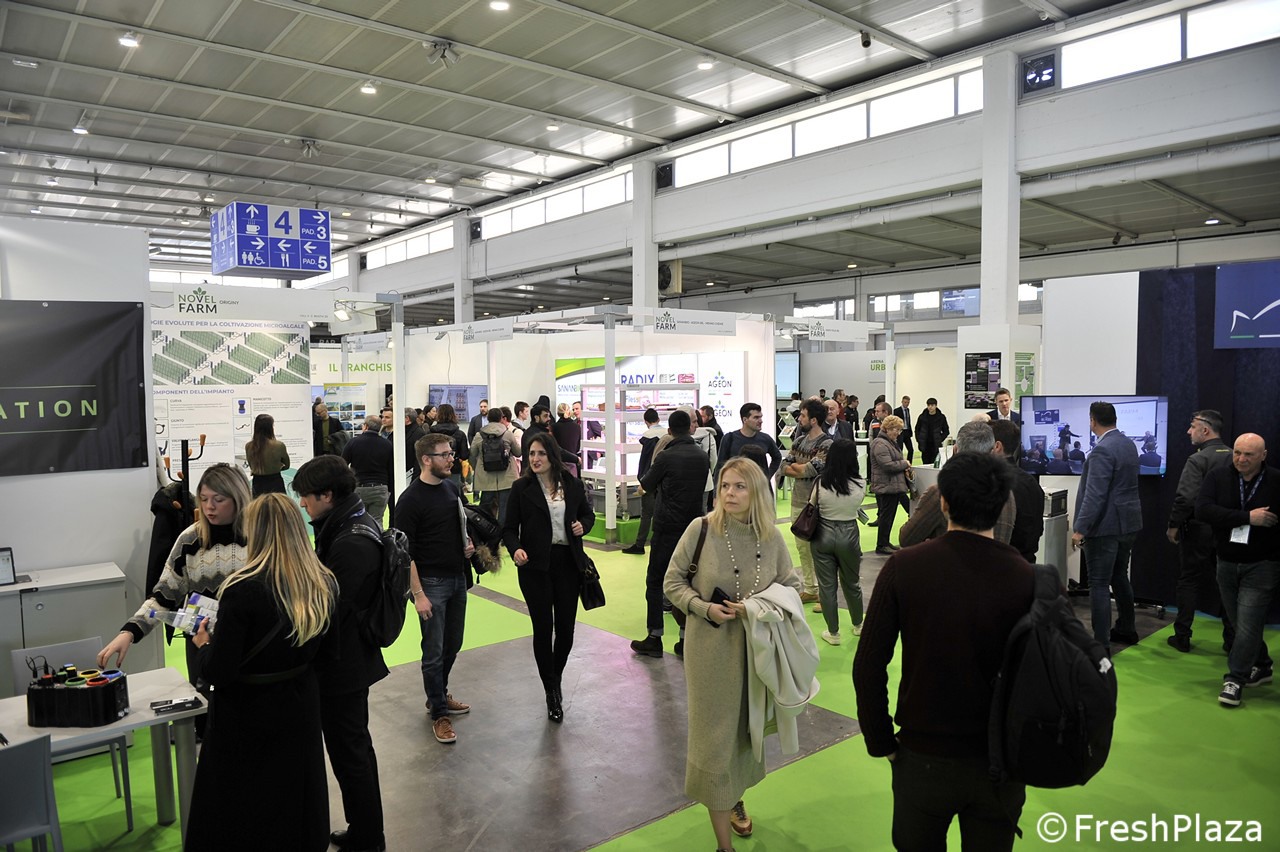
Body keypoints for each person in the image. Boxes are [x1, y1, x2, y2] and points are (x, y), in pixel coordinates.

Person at [853, 452, 1032, 852]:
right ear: (1002, 504)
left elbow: (868, 665)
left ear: (944, 503)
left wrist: (881, 741)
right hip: (999, 759)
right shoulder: (1025, 575)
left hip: (922, 753)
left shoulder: (905, 566)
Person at [185, 493, 337, 851]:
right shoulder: (323, 582)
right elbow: (329, 654)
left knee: (245, 809)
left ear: (256, 532)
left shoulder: (242, 589)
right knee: (294, 800)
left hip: (246, 715)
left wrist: (204, 645)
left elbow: (220, 671)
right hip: (299, 706)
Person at [663, 458, 801, 852]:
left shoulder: (771, 538)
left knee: (744, 733)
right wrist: (704, 607)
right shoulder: (701, 529)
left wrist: (757, 607)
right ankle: (724, 845)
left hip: (757, 656)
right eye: (725, 485)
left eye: (740, 486)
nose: (730, 493)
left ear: (756, 491)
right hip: (710, 655)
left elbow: (791, 587)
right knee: (713, 741)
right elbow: (672, 581)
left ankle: (733, 796)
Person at [97, 463, 251, 714]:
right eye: (204, 499)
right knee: (206, 715)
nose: (209, 507)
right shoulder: (190, 540)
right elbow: (163, 595)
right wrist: (129, 632)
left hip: (249, 648)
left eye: (219, 499)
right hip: (201, 645)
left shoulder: (260, 538)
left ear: (238, 498)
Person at [293, 456, 388, 852]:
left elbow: (331, 610)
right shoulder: (349, 524)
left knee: (351, 754)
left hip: (343, 664)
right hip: (345, 659)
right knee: (353, 751)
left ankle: (368, 837)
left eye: (306, 497)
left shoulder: (351, 542)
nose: (302, 504)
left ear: (327, 495)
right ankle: (364, 829)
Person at [502, 431, 594, 723]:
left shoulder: (572, 484)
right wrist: (515, 549)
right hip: (535, 568)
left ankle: (556, 676)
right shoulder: (522, 487)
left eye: (541, 453)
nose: (535, 459)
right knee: (543, 629)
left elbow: (588, 515)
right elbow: (508, 528)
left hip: (568, 564)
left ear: (552, 456)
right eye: (531, 453)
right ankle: (551, 690)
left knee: (566, 629)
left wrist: (583, 526)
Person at [397, 433, 476, 744]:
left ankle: (438, 695)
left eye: (451, 453)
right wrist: (418, 594)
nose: (451, 459)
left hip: (457, 578)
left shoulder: (451, 488)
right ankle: (439, 714)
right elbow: (405, 554)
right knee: (433, 651)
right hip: (430, 584)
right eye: (444, 455)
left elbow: (458, 527)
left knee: (452, 644)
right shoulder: (410, 500)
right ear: (426, 460)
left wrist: (467, 545)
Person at [1195, 433, 1279, 708]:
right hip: (1226, 561)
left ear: (1263, 456)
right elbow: (1203, 510)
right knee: (1240, 623)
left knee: (1247, 624)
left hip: (1262, 564)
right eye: (1237, 453)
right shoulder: (1218, 476)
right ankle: (1262, 664)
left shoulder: (1275, 481)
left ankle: (1235, 679)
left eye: (1249, 455)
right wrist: (1247, 518)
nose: (1241, 459)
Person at [630, 409, 710, 658]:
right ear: (690, 427)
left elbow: (646, 483)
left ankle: (654, 636)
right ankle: (685, 639)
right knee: (687, 582)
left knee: (656, 581)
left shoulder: (666, 456)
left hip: (666, 527)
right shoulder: (701, 456)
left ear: (670, 430)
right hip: (693, 528)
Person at [1071, 400, 1142, 652]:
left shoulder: (1102, 450)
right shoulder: (1128, 444)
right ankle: (1127, 629)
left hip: (1105, 527)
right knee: (1119, 576)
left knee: (1099, 584)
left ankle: (1101, 644)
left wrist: (1080, 528)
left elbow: (1095, 495)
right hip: (1128, 524)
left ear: (1092, 421)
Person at [1166, 410, 1234, 653]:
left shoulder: (1198, 459)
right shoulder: (1235, 456)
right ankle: (1232, 640)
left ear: (1205, 430)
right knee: (1228, 584)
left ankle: (1182, 636)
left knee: (1189, 580)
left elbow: (1185, 498)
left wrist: (1173, 525)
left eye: (1192, 426)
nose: (1188, 431)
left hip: (1198, 530)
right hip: (1229, 530)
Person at [900, 421, 1016, 548]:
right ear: (993, 450)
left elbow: (907, 538)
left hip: (945, 559)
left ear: (955, 450)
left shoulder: (940, 492)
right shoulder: (1005, 494)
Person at [810, 439, 866, 645]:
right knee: (852, 583)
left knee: (827, 586)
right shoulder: (860, 483)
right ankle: (858, 624)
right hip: (849, 533)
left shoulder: (820, 482)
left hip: (822, 534)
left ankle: (833, 633)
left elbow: (811, 505)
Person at [781, 399, 834, 603]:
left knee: (820, 549)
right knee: (802, 548)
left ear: (813, 420)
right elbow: (783, 467)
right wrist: (799, 469)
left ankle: (824, 592)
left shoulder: (826, 444)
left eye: (802, 415)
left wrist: (796, 468)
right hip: (798, 501)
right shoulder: (798, 442)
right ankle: (811, 589)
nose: (799, 419)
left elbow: (812, 469)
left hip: (818, 503)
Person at [990, 419, 1045, 563]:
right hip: (1027, 562)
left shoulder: (994, 484)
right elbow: (1038, 529)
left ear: (997, 446)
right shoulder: (1031, 482)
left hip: (1001, 564)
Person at [622, 408, 666, 555]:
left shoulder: (647, 437)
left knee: (646, 514)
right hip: (665, 480)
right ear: (658, 419)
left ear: (646, 421)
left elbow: (645, 462)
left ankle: (640, 544)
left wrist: (643, 480)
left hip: (651, 479)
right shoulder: (667, 435)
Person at [470, 407, 521, 525]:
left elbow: (472, 454)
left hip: (485, 477)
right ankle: (503, 532)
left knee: (485, 509)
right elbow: (518, 453)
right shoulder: (508, 434)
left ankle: (487, 531)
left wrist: (477, 466)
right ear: (501, 418)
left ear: (488, 418)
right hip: (506, 477)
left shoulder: (479, 435)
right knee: (505, 508)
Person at [868, 414, 910, 555]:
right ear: (887, 428)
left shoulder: (889, 442)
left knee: (889, 516)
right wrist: (904, 464)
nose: (898, 433)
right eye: (895, 429)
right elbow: (888, 465)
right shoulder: (880, 444)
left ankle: (885, 542)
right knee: (886, 517)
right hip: (885, 486)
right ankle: (881, 544)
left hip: (892, 485)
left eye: (899, 430)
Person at [343, 415, 393, 528]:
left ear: (365, 426)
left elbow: (342, 464)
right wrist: (389, 490)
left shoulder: (353, 442)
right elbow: (390, 469)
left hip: (360, 487)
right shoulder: (387, 444)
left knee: (359, 521)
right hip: (381, 487)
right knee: (377, 521)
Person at [715, 403, 782, 485]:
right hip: (736, 486)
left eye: (760, 417)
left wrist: (767, 476)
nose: (760, 421)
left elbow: (777, 457)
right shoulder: (730, 438)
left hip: (759, 488)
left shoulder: (765, 439)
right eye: (756, 417)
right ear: (745, 420)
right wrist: (718, 490)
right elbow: (720, 466)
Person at [244, 413, 290, 496]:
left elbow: (251, 466)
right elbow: (287, 465)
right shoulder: (279, 445)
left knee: (259, 504)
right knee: (278, 503)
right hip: (275, 481)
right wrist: (277, 468)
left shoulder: (249, 446)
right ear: (270, 428)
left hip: (258, 483)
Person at [428, 403, 470, 488]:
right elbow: (464, 455)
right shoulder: (460, 434)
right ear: (453, 415)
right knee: (453, 492)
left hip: (435, 468)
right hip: (453, 468)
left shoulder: (430, 433)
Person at [693, 406, 720, 511]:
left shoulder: (681, 436)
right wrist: (710, 471)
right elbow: (713, 458)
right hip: (705, 478)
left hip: (684, 481)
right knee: (703, 509)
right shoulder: (709, 435)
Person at [914, 398, 950, 466]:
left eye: (932, 405)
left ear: (936, 406)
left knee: (935, 464)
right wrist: (919, 440)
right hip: (925, 445)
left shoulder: (941, 417)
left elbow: (946, 431)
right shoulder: (922, 417)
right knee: (925, 464)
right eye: (928, 405)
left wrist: (940, 439)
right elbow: (917, 429)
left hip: (935, 445)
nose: (930, 407)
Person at [403, 407, 426, 480]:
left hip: (411, 474)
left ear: (407, 418)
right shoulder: (401, 431)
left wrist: (415, 479)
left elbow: (419, 458)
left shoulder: (418, 433)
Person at [893, 395, 915, 463]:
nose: (907, 404)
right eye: (905, 402)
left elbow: (908, 421)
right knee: (900, 449)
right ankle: (900, 463)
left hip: (907, 431)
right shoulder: (897, 411)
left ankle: (909, 463)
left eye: (908, 402)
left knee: (911, 449)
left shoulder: (908, 410)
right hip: (900, 432)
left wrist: (910, 431)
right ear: (902, 402)